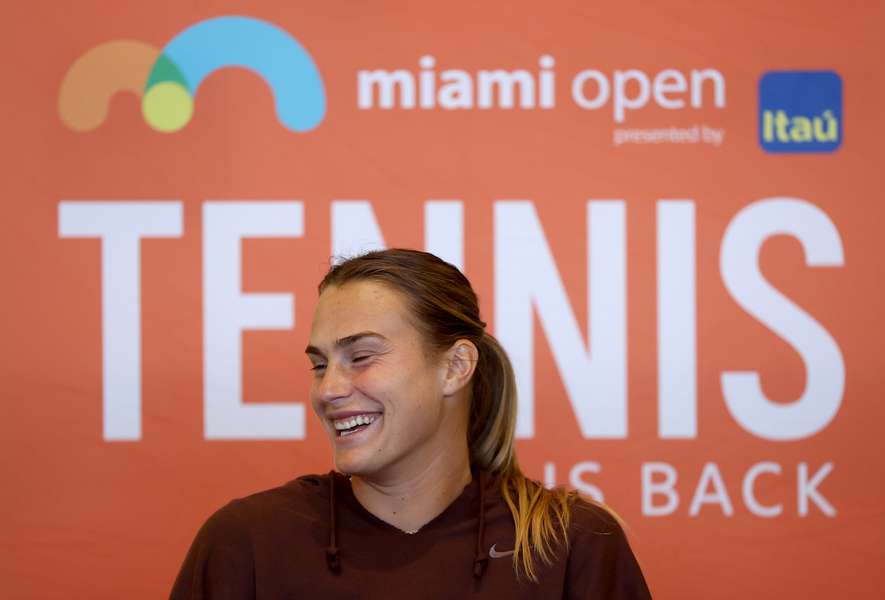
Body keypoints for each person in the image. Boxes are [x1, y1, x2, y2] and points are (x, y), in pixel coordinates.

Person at [170, 248, 652, 599]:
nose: (328, 389)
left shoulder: (570, 545)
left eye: (360, 356)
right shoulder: (247, 542)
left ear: (455, 367)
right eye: (319, 365)